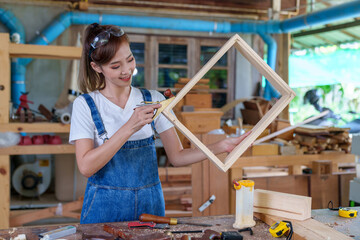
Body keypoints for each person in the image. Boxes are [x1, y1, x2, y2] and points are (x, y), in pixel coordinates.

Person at [69, 23, 251, 224]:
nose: (127, 70)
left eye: (130, 59)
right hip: (104, 210)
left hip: (150, 206)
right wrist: (131, 126)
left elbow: (177, 156)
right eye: (115, 66)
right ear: (96, 67)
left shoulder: (153, 100)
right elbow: (86, 167)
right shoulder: (86, 105)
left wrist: (221, 146)